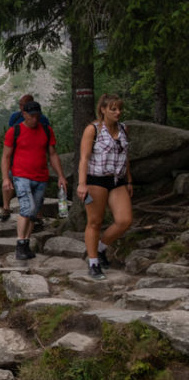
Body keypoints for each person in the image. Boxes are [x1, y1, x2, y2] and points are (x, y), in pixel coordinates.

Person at [0, 101, 67, 260]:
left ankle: (26, 245)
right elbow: (6, 156)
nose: (35, 119)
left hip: (41, 177)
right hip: (21, 175)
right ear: (24, 114)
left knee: (34, 212)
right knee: (27, 208)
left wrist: (61, 176)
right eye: (32, 116)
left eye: (38, 116)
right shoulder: (14, 131)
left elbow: (52, 154)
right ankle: (20, 245)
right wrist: (5, 178)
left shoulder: (46, 130)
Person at [77, 93, 133, 280]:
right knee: (95, 221)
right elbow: (84, 158)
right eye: (113, 109)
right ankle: (93, 263)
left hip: (117, 180)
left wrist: (129, 180)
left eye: (119, 109)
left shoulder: (124, 129)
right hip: (96, 179)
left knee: (124, 220)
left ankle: (100, 248)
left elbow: (126, 156)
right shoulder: (93, 129)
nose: (118, 112)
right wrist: (82, 184)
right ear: (103, 110)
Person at [0, 94, 51, 222]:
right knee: (8, 179)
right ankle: (6, 207)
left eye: (23, 105)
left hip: (33, 157)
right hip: (16, 156)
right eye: (20, 104)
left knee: (35, 188)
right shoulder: (15, 117)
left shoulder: (42, 120)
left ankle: (36, 214)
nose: (20, 107)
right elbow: (11, 136)